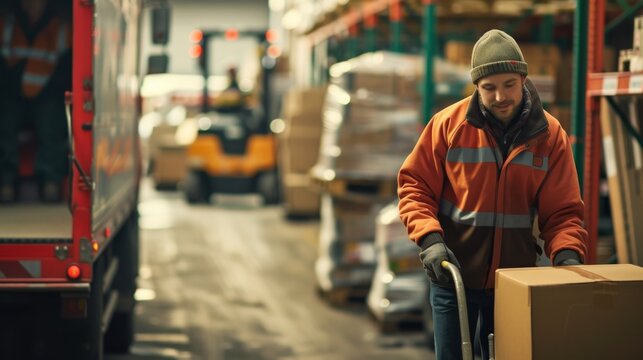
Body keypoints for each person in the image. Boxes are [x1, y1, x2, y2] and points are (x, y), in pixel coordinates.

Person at [397, 29, 588, 360]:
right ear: (476, 87)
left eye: (509, 85)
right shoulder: (447, 126)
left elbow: (564, 212)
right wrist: (429, 240)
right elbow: (415, 185)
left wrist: (568, 256)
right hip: (452, 275)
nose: (500, 96)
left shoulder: (550, 136)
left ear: (523, 79)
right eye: (489, 88)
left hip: (514, 283)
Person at [0, 0, 71, 203]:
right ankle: (5, 181)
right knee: (5, 123)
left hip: (48, 95)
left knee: (51, 125)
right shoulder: (9, 25)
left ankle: (50, 182)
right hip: (13, 94)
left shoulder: (60, 28)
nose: (27, 4)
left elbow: (66, 67)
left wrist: (48, 91)